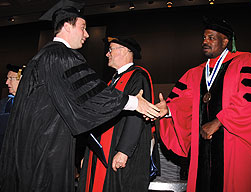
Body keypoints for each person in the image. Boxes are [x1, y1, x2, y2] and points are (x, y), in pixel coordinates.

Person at [0, 1, 160, 192]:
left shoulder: (43, 56)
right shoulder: (62, 56)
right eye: (83, 27)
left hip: (33, 147)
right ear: (67, 26)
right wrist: (134, 103)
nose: (87, 34)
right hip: (47, 149)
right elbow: (89, 93)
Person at [156, 17, 251, 192]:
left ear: (225, 41)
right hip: (203, 150)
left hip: (235, 145)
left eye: (211, 38)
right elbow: (184, 102)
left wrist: (218, 122)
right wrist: (169, 110)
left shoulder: (245, 61)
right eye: (204, 38)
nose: (205, 42)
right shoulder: (196, 72)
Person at [78, 37, 159, 192]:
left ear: (125, 51)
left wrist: (124, 151)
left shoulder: (138, 77)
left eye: (111, 50)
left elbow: (137, 117)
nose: (107, 55)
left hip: (120, 151)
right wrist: (90, 155)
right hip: (105, 150)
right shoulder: (112, 81)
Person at [0, 64, 24, 152]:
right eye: (7, 78)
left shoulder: (29, 104)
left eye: (11, 78)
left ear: (21, 81)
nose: (6, 82)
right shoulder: (3, 102)